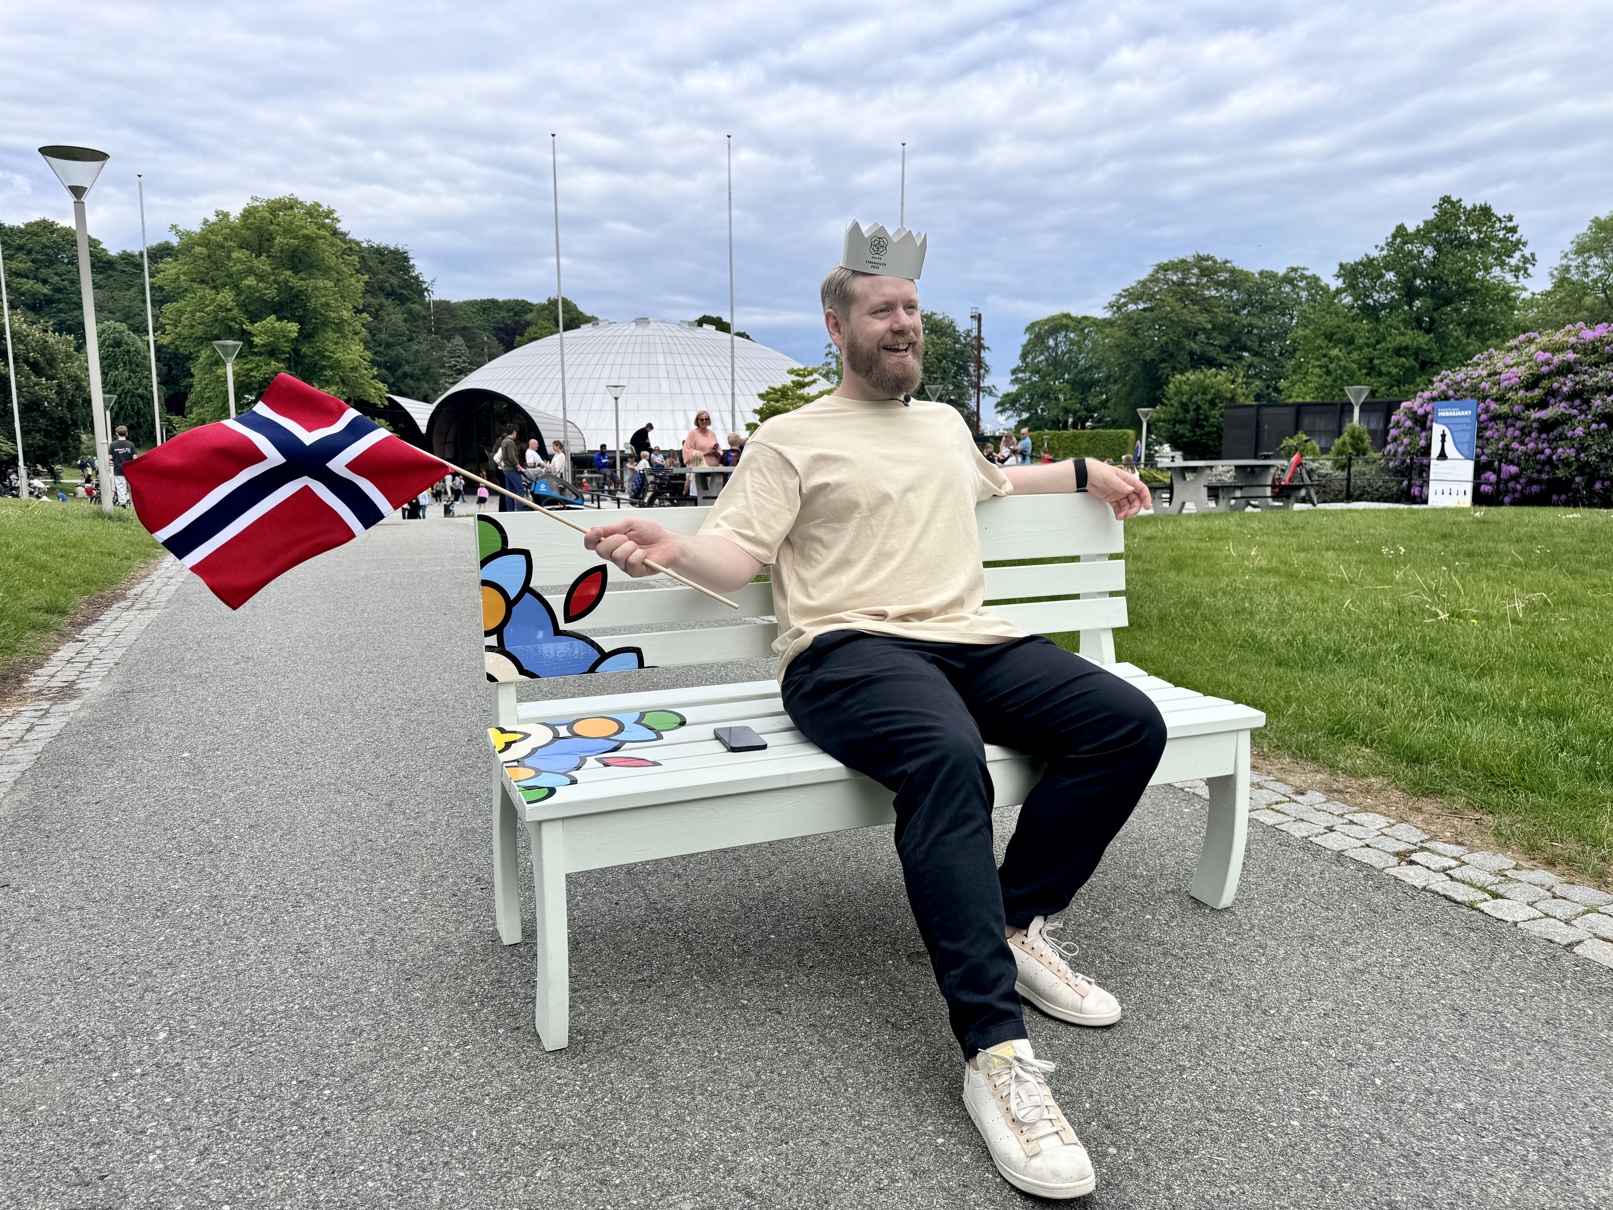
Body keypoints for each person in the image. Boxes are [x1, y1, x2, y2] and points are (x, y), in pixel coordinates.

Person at [585, 221, 1160, 1201]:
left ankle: (1013, 923)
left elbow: (991, 479)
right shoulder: (790, 437)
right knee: (947, 762)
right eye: (882, 310)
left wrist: (1079, 472)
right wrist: (670, 549)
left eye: (911, 310)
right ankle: (994, 1056)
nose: (903, 325)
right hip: (847, 654)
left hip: (967, 639)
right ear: (835, 327)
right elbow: (737, 555)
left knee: (1124, 724)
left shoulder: (938, 423)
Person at [108, 425, 138, 507]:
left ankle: (123, 503)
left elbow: (110, 458)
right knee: (131, 487)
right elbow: (134, 458)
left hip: (118, 469)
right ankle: (133, 503)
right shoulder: (131, 444)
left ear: (117, 433)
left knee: (120, 486)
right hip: (130, 469)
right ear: (126, 433)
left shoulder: (113, 445)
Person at [495, 425, 523, 512]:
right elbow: (512, 457)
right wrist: (519, 467)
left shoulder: (503, 441)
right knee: (520, 489)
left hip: (506, 469)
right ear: (514, 432)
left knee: (509, 492)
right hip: (512, 469)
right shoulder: (510, 442)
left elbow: (502, 456)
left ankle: (509, 510)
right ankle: (519, 510)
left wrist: (502, 465)